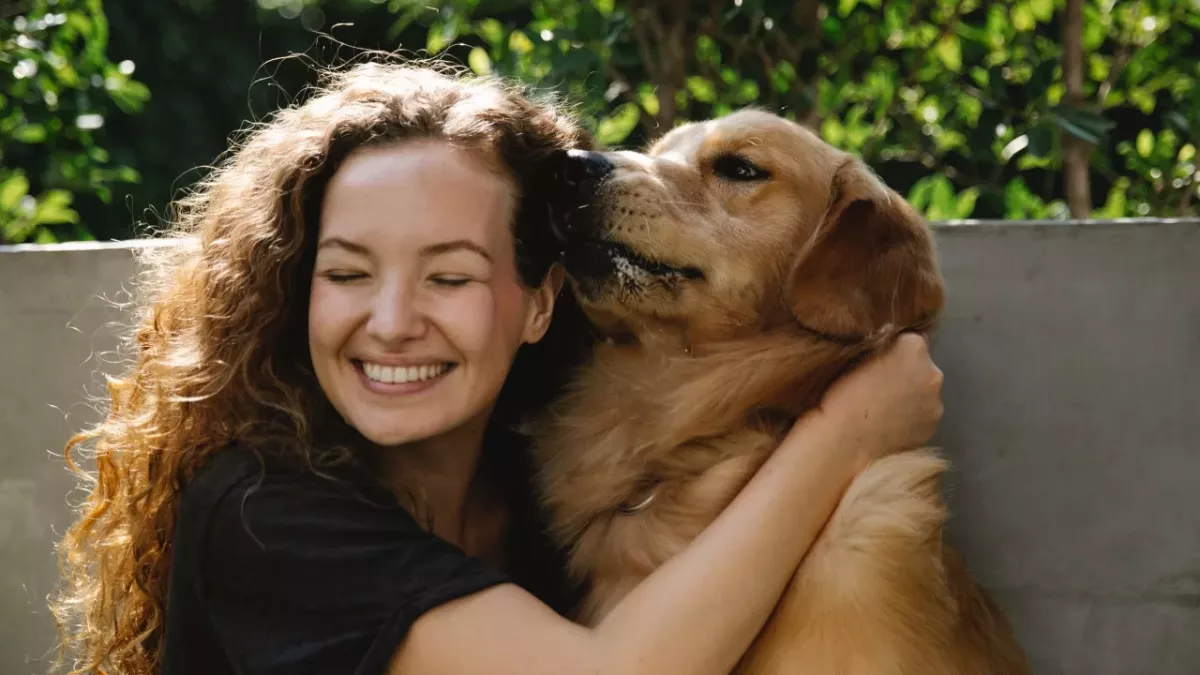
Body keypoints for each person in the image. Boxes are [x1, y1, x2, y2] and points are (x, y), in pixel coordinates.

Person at [52, 62, 944, 675]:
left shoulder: (550, 479)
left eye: (450, 275)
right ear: (297, 287)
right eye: (348, 273)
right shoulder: (264, 516)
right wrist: (847, 433)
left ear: (544, 300)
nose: (393, 324)